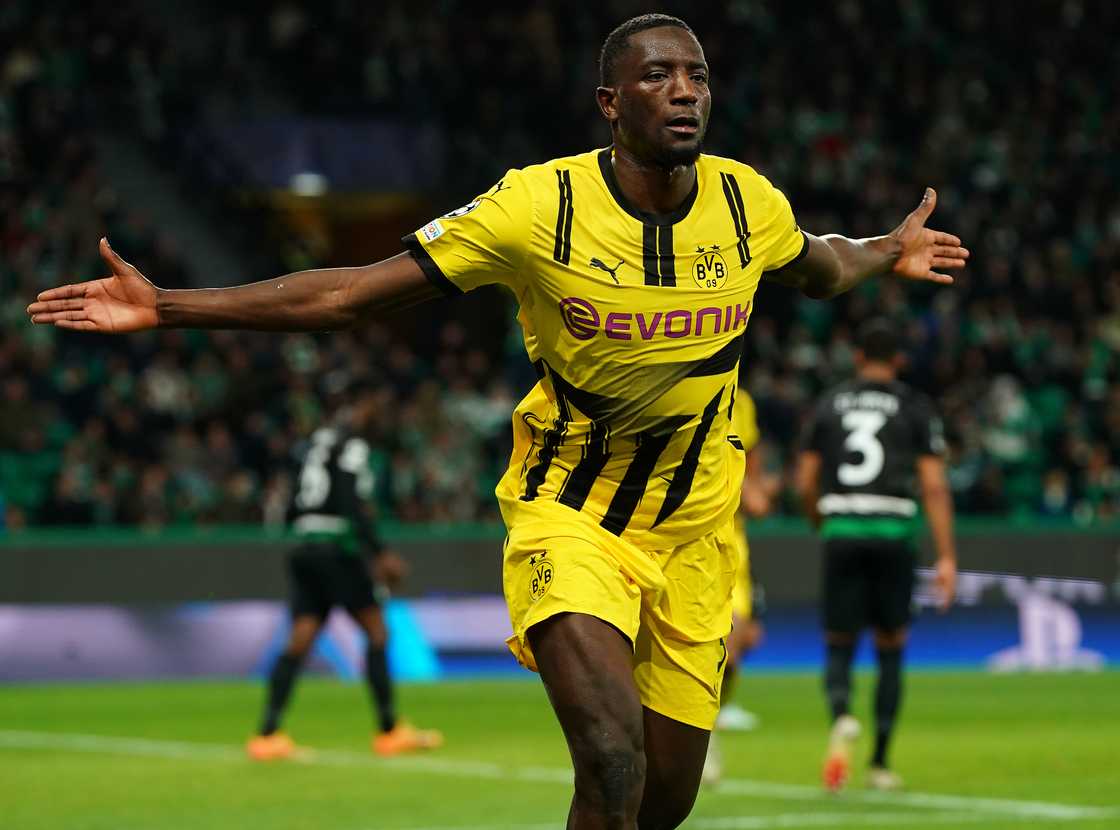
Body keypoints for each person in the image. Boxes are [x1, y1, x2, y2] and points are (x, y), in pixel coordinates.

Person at [28, 14, 968, 827]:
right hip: (572, 514)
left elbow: (821, 264)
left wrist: (889, 249)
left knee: (661, 804)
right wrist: (173, 306)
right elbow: (355, 292)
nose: (685, 93)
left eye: (697, 76)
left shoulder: (743, 199)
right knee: (611, 761)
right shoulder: (537, 205)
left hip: (693, 537)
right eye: (657, 76)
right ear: (609, 102)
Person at [796, 319, 958, 793]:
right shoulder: (914, 406)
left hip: (843, 527)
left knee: (838, 640)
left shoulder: (829, 403)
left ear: (857, 357)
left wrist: (820, 521)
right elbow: (933, 483)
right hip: (893, 531)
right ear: (900, 361)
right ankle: (881, 763)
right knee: (891, 644)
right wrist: (946, 555)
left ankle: (843, 714)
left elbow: (806, 479)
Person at [247, 393, 443, 760]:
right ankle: (388, 729)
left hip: (304, 546)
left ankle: (267, 734)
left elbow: (292, 500)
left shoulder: (314, 445)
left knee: (300, 639)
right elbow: (350, 500)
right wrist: (379, 551)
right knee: (377, 631)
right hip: (335, 546)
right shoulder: (352, 446)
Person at [702, 387, 778, 785]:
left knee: (731, 656)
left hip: (731, 550)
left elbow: (750, 471)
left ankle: (706, 726)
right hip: (679, 539)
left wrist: (758, 490)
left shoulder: (742, 402)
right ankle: (690, 734)